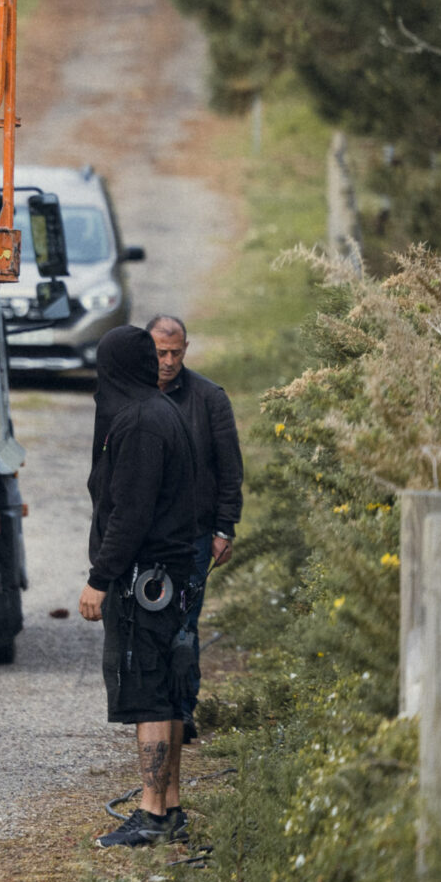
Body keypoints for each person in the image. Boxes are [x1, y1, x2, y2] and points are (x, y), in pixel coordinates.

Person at [80, 323, 203, 847]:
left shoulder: (138, 424)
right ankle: (169, 806)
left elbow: (129, 515)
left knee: (150, 690)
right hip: (172, 575)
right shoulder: (162, 412)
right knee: (169, 689)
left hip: (144, 581)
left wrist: (99, 579)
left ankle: (152, 815)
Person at [151, 314, 243, 738]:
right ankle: (152, 709)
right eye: (160, 353)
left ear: (186, 349)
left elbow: (229, 468)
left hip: (194, 535)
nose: (168, 361)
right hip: (146, 537)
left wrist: (224, 528)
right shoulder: (133, 395)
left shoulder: (209, 399)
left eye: (175, 352)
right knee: (149, 624)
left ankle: (182, 712)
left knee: (185, 623)